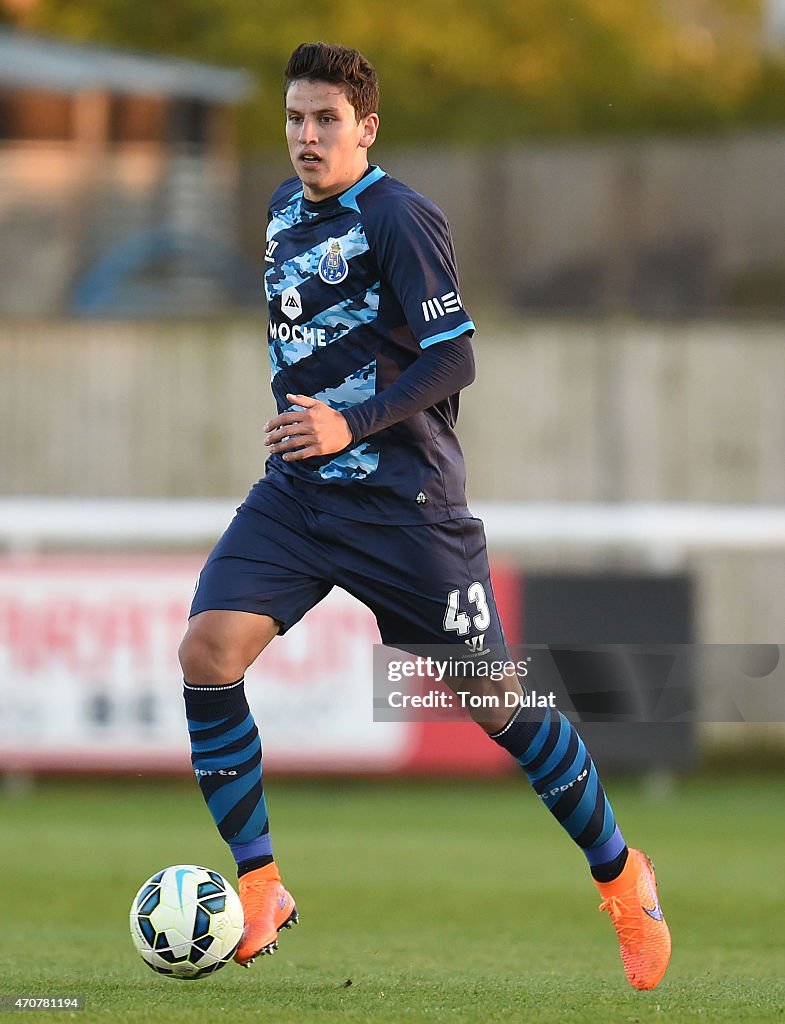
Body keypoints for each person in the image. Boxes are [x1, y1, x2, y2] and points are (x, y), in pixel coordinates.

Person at [178, 41, 671, 990]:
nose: (306, 136)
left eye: (326, 120)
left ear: (366, 128)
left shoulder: (401, 216)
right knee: (208, 651)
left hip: (405, 512)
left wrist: (348, 423)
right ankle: (262, 885)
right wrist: (315, 434)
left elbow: (454, 359)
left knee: (496, 703)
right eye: (293, 118)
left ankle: (620, 878)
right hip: (299, 497)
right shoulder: (283, 210)